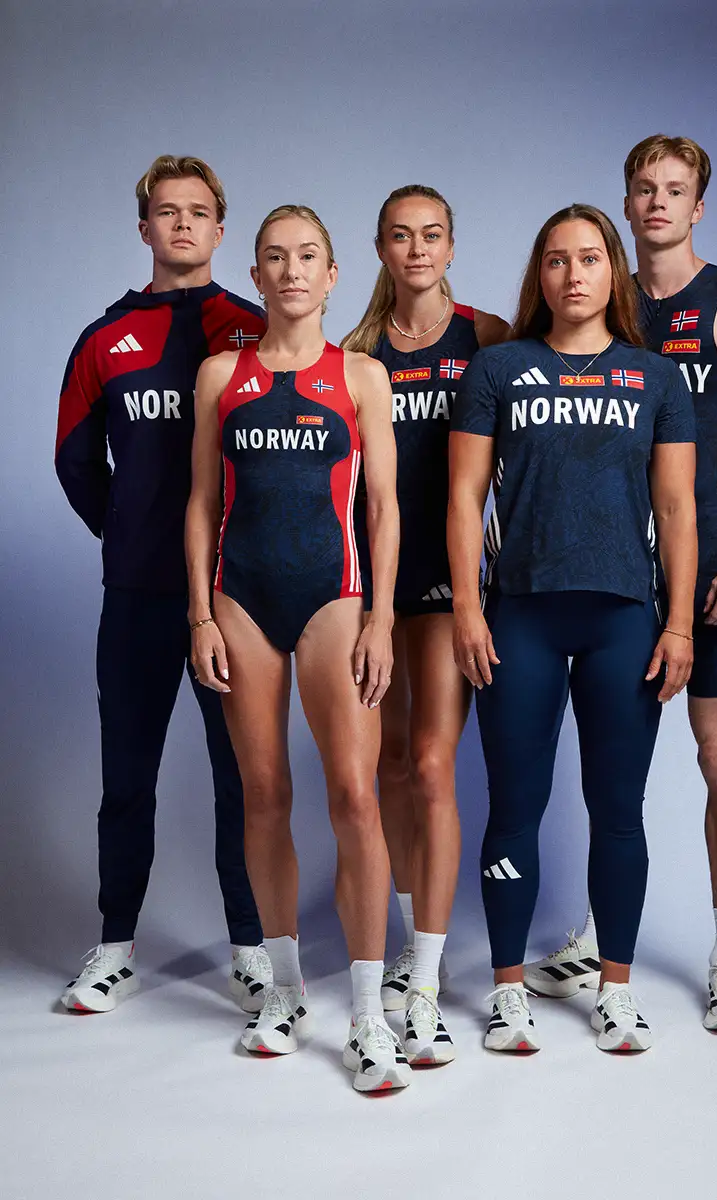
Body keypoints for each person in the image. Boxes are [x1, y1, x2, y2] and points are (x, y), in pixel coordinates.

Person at [524, 135, 717, 1036]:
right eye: (645, 189)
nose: (660, 203)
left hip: (701, 542)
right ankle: (602, 934)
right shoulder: (599, 291)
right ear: (625, 204)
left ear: (698, 205)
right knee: (613, 765)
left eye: (677, 190)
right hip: (606, 551)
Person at [448, 203, 697, 1054]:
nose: (574, 273)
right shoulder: (499, 368)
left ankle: (616, 991)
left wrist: (682, 626)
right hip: (519, 612)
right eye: (557, 260)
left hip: (626, 617)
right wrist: (470, 607)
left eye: (590, 257)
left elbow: (677, 508)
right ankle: (509, 989)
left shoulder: (655, 378)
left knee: (616, 809)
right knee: (514, 806)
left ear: (613, 272)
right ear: (540, 276)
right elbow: (462, 497)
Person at [185, 204, 409, 1093]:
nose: (290, 272)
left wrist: (383, 617)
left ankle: (365, 1015)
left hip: (335, 598)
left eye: (306, 257)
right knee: (265, 792)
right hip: (241, 597)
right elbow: (202, 502)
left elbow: (383, 508)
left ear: (331, 274)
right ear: (258, 270)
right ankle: (284, 991)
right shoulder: (218, 376)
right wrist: (200, 615)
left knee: (355, 796)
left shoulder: (360, 375)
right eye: (274, 258)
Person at [53, 155, 270, 1016]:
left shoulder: (258, 330)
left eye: (199, 212)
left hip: (239, 597)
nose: (182, 224)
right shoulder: (105, 338)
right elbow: (74, 457)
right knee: (127, 776)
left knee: (244, 777)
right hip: (139, 595)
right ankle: (114, 946)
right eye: (166, 212)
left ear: (221, 228)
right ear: (143, 228)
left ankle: (252, 949)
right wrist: (132, 531)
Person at [341, 185, 509, 1064]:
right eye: (400, 237)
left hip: (453, 582)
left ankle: (432, 983)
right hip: (374, 584)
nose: (416, 249)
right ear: (379, 247)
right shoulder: (358, 351)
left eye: (431, 235)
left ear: (452, 244)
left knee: (438, 763)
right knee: (394, 766)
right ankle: (408, 948)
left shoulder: (485, 338)